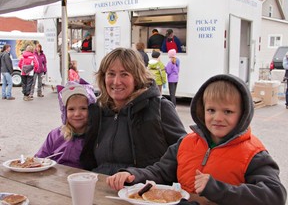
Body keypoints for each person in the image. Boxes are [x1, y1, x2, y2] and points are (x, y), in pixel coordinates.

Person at [107, 74, 287, 205]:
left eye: (228, 112)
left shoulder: (253, 153)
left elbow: (275, 195)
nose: (218, 118)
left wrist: (217, 189)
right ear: (202, 111)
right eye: (211, 110)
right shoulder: (186, 143)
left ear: (243, 115)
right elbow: (160, 172)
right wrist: (134, 175)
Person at [79, 47, 186, 175]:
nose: (116, 81)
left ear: (137, 78)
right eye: (111, 74)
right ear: (103, 77)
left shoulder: (159, 108)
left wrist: (139, 175)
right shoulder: (98, 110)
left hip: (143, 190)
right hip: (100, 186)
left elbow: (185, 151)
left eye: (124, 74)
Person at [35, 79, 96, 168]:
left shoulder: (96, 138)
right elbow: (40, 158)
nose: (77, 114)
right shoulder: (55, 135)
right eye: (71, 109)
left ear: (91, 110)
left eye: (83, 108)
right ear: (64, 112)